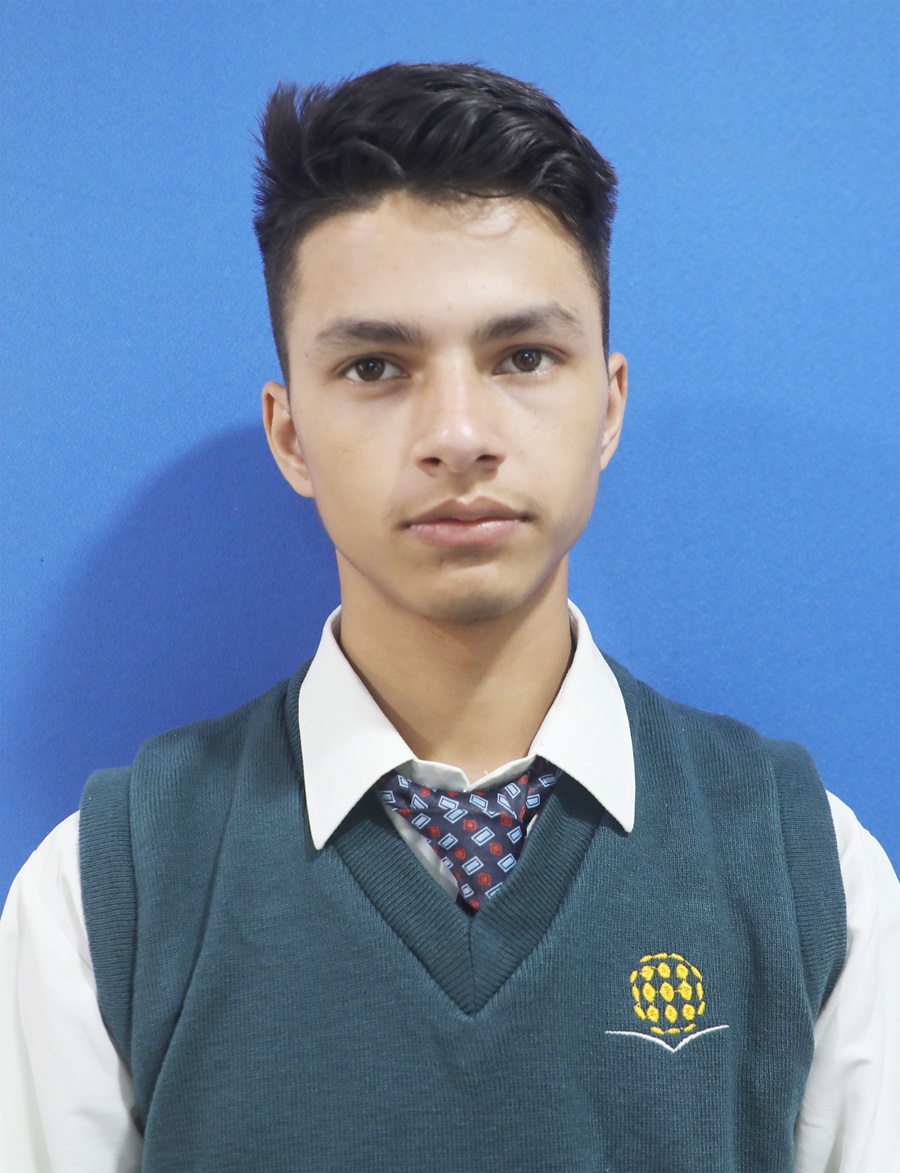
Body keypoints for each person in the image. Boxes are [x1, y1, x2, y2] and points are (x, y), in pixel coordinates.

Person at [1, 62, 898, 1173]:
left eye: (525, 357)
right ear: (290, 434)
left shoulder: (813, 874)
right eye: (376, 366)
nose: (459, 434)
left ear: (608, 405)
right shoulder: (104, 895)